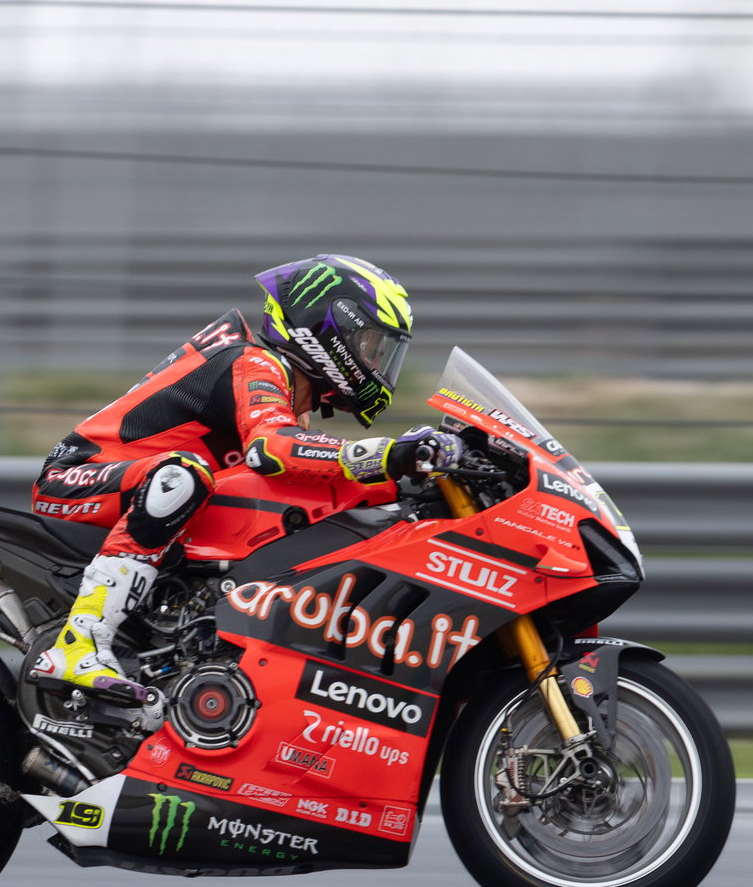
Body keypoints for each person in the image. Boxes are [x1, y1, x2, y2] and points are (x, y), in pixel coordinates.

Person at [28, 254, 461, 704]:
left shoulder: (290, 398)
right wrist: (391, 454)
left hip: (138, 492)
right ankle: (79, 643)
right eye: (371, 345)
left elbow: (308, 464)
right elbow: (271, 448)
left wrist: (411, 479)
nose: (376, 362)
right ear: (329, 328)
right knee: (182, 477)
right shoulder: (254, 361)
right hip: (78, 477)